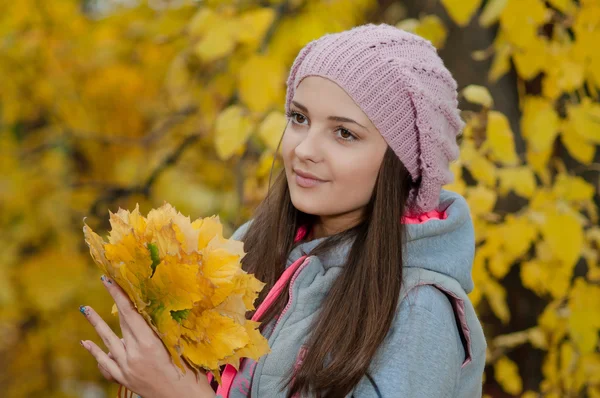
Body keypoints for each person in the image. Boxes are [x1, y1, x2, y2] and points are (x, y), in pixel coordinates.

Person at [79, 23, 487, 398]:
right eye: (299, 118)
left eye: (344, 133)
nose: (304, 150)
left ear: (403, 163)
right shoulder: (249, 246)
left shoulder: (419, 310)